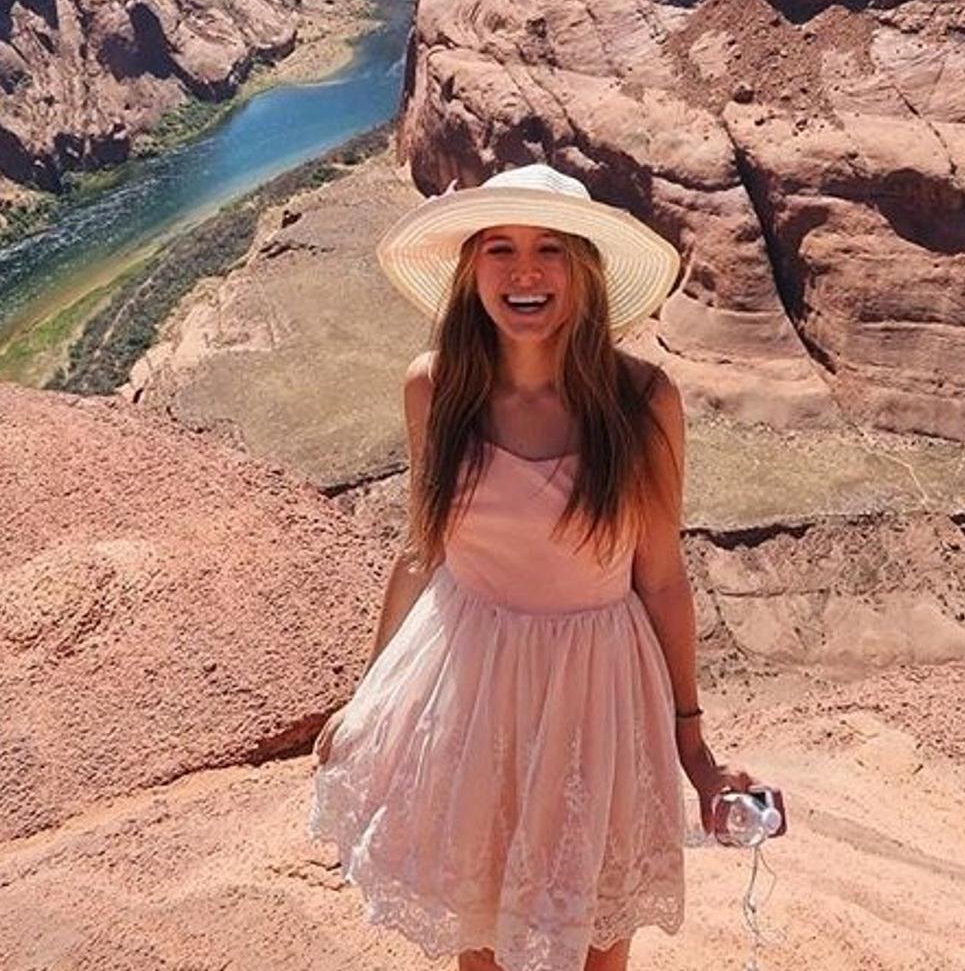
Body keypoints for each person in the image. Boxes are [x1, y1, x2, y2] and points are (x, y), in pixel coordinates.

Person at [307, 162, 758, 971]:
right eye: (500, 249)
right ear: (470, 267)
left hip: (597, 691)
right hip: (469, 688)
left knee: (594, 937)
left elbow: (660, 576)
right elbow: (423, 551)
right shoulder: (435, 387)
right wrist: (366, 700)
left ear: (583, 270)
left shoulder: (642, 401)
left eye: (550, 249)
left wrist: (694, 747)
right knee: (476, 925)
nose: (524, 273)